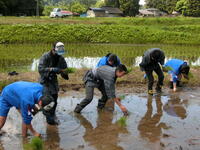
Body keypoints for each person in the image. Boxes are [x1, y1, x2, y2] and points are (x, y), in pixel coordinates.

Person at [38, 41, 69, 125]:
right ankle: (49, 119)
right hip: (44, 80)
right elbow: (40, 69)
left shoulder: (60, 58)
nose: (59, 54)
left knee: (55, 99)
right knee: (48, 100)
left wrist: (64, 72)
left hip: (53, 81)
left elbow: (64, 68)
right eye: (58, 52)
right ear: (53, 49)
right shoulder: (45, 56)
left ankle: (52, 113)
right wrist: (52, 69)